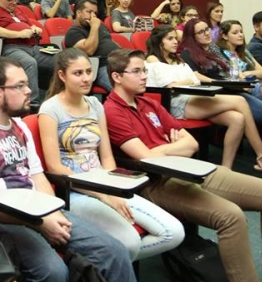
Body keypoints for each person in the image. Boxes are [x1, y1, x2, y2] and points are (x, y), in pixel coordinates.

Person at [104, 48, 262, 282]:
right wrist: (172, 146)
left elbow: (192, 144)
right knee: (231, 216)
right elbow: (146, 159)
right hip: (156, 182)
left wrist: (164, 150)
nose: (144, 76)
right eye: (136, 71)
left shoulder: (149, 103)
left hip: (190, 169)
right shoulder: (112, 111)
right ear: (117, 77)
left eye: (144, 70)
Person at [0, 56, 137, 282]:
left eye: (27, 84)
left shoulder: (20, 126)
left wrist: (53, 212)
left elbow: (38, 177)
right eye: (20, 86)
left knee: (114, 252)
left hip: (41, 211)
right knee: (54, 272)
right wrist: (39, 222)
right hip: (4, 221)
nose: (29, 90)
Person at [38, 48, 183, 260]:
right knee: (130, 242)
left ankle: (104, 261)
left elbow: (106, 157)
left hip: (105, 184)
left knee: (174, 232)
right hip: (75, 191)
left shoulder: (95, 104)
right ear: (62, 75)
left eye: (89, 71)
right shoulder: (50, 109)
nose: (86, 78)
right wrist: (103, 195)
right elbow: (55, 167)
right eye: (78, 73)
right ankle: (109, 261)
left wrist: (113, 190)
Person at [146, 25, 262, 169]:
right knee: (240, 101)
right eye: (170, 39)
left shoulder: (176, 58)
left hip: (191, 98)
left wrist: (186, 81)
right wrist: (187, 81)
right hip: (174, 103)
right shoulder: (152, 59)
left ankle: (226, 168)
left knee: (237, 119)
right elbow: (170, 86)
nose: (175, 41)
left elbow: (195, 80)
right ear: (159, 42)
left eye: (175, 38)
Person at [180, 18, 262, 164]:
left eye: (207, 29)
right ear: (192, 36)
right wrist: (217, 82)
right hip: (214, 93)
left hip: (232, 88)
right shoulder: (187, 53)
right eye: (201, 32)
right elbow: (195, 76)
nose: (206, 33)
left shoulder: (215, 50)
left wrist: (238, 79)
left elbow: (232, 67)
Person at [0, 0, 55, 106]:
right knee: (29, 63)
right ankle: (32, 104)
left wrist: (34, 28)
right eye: (10, 0)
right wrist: (19, 34)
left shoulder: (18, 10)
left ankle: (55, 99)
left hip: (32, 47)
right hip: (10, 48)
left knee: (59, 59)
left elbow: (29, 24)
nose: (14, 3)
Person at [64, 0, 119, 91]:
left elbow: (109, 42)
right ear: (78, 13)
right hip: (100, 67)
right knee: (122, 90)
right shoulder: (73, 32)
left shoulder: (101, 26)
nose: (93, 16)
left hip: (118, 62)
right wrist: (94, 27)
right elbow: (89, 50)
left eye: (95, 13)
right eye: (89, 12)